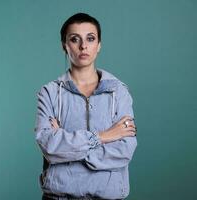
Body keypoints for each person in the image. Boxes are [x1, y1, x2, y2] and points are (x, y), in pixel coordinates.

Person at [34, 13, 137, 200]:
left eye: (90, 38)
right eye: (75, 39)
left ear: (99, 45)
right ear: (64, 45)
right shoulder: (49, 93)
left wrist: (67, 151)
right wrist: (103, 137)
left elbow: (125, 150)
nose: (83, 46)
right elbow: (49, 145)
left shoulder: (119, 91)